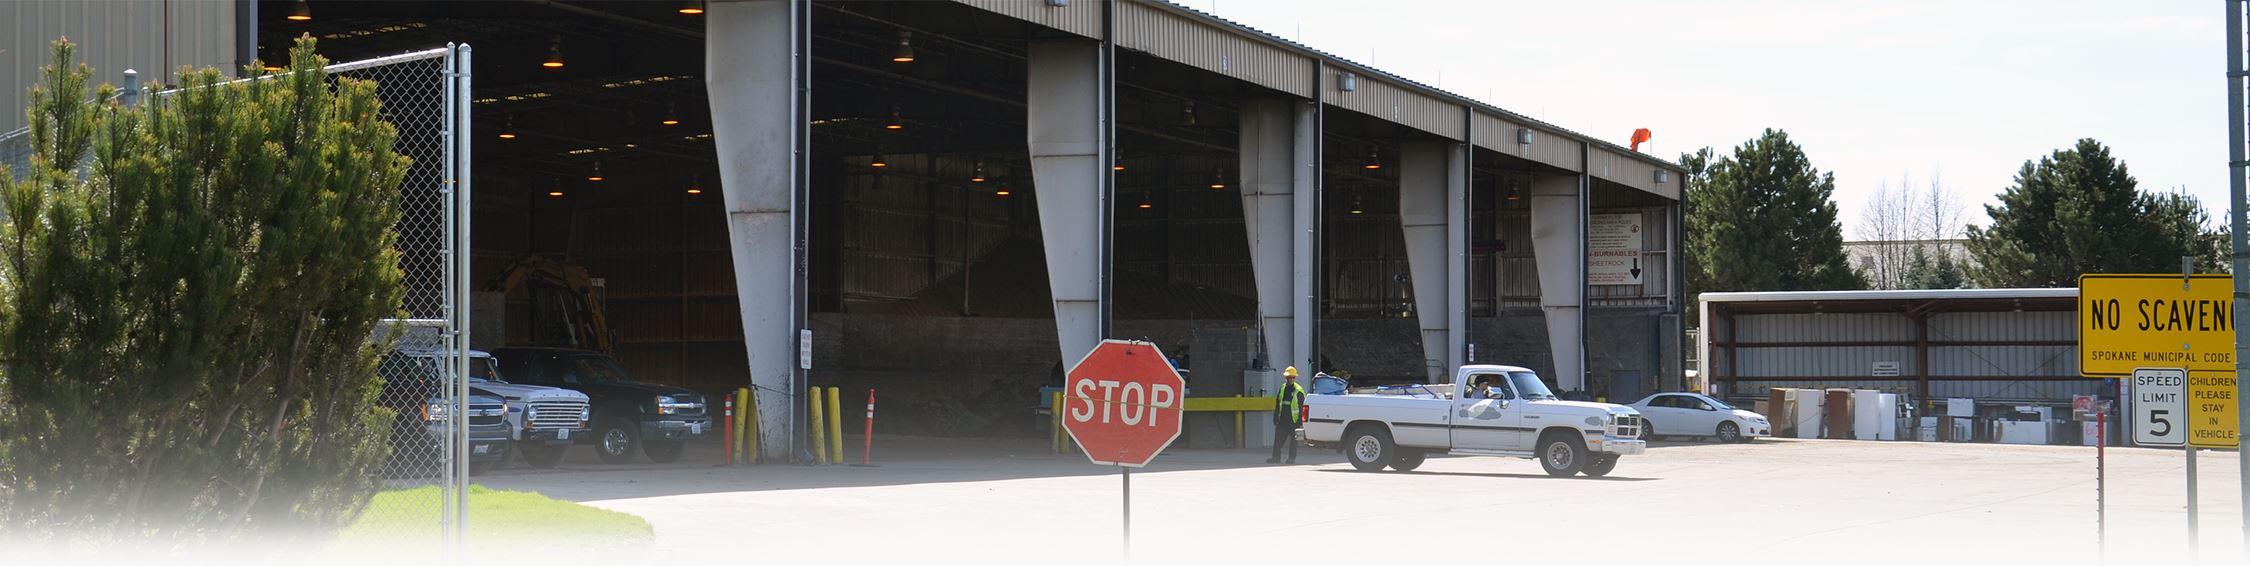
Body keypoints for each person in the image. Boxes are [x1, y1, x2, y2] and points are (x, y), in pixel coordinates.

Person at [1269, 366, 1307, 464]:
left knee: (1294, 441)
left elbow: (1302, 407)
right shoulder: (1282, 388)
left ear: (1295, 378)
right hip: (1282, 419)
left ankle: (1291, 459)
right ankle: (1276, 457)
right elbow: (1278, 403)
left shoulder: (1299, 390)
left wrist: (1299, 422)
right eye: (1289, 377)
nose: (1290, 379)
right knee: (1278, 439)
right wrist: (1275, 416)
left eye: (1292, 377)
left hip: (1293, 421)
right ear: (1286, 378)